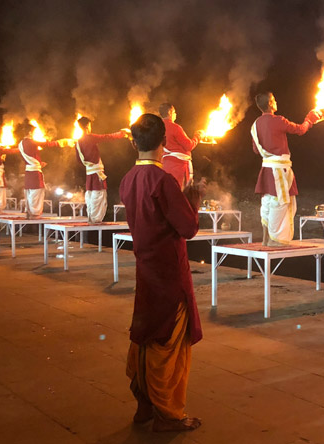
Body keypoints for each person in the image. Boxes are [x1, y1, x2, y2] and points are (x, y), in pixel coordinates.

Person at [120, 113, 202, 432]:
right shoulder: (163, 181)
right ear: (165, 143)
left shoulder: (128, 179)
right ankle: (168, 413)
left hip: (145, 268)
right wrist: (193, 199)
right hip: (169, 273)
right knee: (168, 341)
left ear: (133, 142)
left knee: (145, 333)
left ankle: (144, 403)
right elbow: (188, 227)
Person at [250, 92, 324, 246]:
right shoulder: (278, 120)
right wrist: (309, 119)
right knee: (280, 203)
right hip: (279, 170)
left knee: (267, 202)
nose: (276, 101)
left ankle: (265, 239)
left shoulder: (255, 125)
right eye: (274, 100)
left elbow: (256, 150)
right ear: (270, 103)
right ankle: (275, 240)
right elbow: (300, 130)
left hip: (266, 168)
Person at [74, 116, 129, 223]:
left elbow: (79, 161)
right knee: (98, 195)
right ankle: (95, 219)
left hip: (89, 172)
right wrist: (121, 133)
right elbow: (107, 137)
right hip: (96, 172)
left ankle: (92, 217)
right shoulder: (90, 137)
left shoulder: (77, 142)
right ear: (87, 126)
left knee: (90, 195)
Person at [17, 121, 72, 218]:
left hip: (29, 171)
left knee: (30, 192)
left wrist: (39, 163)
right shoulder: (31, 142)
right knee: (36, 192)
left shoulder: (20, 144)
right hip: (34, 173)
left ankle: (30, 211)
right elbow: (48, 144)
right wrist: (63, 142)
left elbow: (30, 158)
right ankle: (34, 213)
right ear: (30, 132)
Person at [159, 103, 204, 190]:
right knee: (178, 194)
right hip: (177, 167)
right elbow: (189, 145)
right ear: (170, 112)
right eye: (174, 112)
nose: (176, 114)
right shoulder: (175, 128)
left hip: (164, 165)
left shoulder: (157, 128)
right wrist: (198, 136)